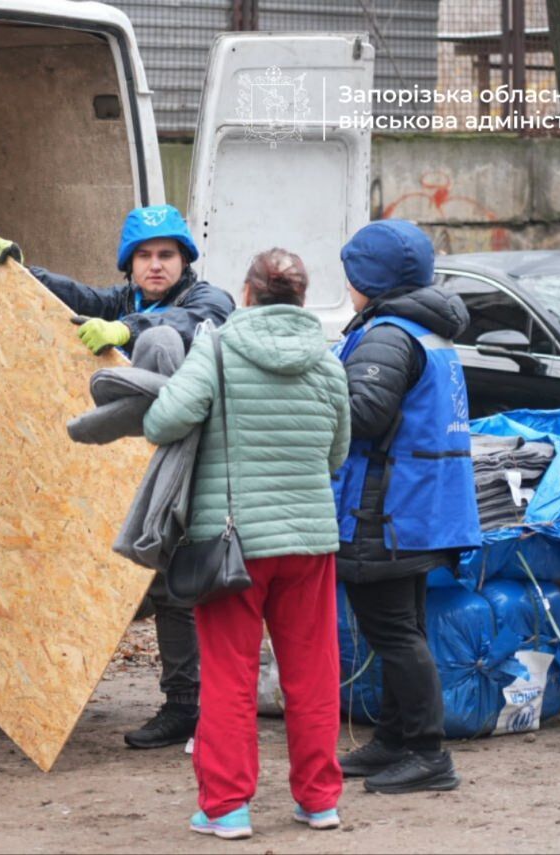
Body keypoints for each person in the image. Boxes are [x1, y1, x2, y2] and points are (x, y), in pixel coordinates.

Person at [0, 205, 235, 750]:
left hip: (198, 470)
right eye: (144, 256)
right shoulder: (124, 300)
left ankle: (193, 708)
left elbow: (187, 325)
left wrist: (127, 329)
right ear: (130, 265)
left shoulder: (206, 299)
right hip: (139, 473)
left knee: (186, 590)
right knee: (165, 588)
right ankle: (186, 706)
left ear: (184, 260)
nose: (155, 265)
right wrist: (26, 271)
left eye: (166, 255)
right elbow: (79, 298)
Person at [143, 249, 351, 840]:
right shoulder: (327, 361)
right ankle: (319, 801)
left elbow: (163, 423)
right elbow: (336, 454)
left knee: (230, 675)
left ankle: (227, 807)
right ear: (303, 298)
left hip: (230, 543)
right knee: (312, 672)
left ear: (247, 293)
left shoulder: (217, 348)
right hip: (310, 542)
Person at [330, 220, 481, 795]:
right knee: (402, 627)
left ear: (368, 278)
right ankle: (394, 739)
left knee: (393, 632)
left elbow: (363, 415)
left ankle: (426, 753)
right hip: (423, 509)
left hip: (387, 510)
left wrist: (321, 389)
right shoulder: (427, 331)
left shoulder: (388, 334)